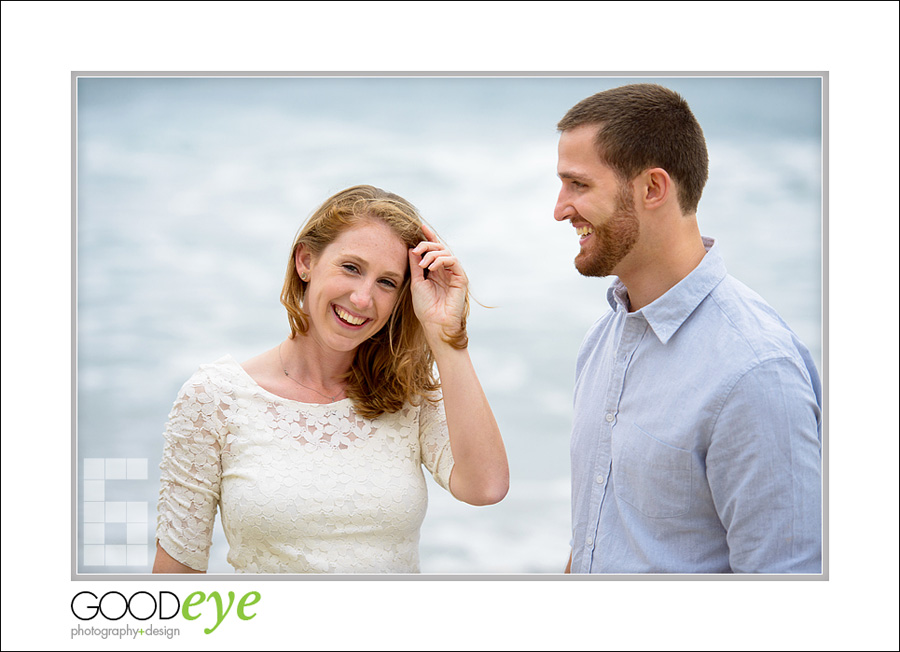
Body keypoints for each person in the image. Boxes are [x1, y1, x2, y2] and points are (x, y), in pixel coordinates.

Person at [152, 184, 509, 573]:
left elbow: (485, 487)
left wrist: (446, 335)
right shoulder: (215, 399)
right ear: (306, 261)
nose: (362, 298)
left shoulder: (408, 396)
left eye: (387, 282)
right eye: (351, 268)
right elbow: (175, 581)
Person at [554, 84, 822, 573]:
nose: (559, 208)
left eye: (579, 185)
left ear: (653, 189)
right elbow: (596, 536)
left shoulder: (755, 373)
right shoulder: (602, 339)